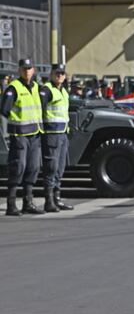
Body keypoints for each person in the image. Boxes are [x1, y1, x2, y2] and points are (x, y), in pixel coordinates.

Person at [1, 59, 44, 216]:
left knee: (33, 168)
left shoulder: (35, 87)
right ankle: (11, 205)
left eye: (29, 68)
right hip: (20, 136)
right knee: (18, 168)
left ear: (33, 70)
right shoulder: (14, 88)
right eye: (24, 68)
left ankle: (28, 203)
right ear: (19, 70)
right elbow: (4, 110)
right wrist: (16, 123)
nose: (27, 71)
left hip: (34, 134)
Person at [39, 63, 74, 212]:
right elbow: (39, 109)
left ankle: (57, 199)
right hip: (51, 133)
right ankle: (49, 201)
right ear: (51, 74)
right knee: (51, 168)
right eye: (57, 73)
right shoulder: (47, 90)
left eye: (62, 73)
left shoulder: (63, 91)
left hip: (62, 133)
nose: (59, 75)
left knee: (59, 169)